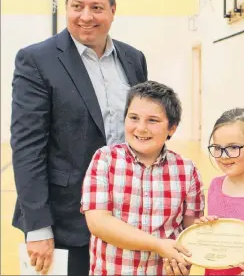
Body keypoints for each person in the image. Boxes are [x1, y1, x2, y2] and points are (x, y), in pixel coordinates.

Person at [11, 0, 147, 275]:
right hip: (64, 221)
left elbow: (143, 130)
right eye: (77, 6)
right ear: (66, 7)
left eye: (96, 7)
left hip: (127, 214)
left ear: (113, 10)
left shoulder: (133, 59)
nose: (86, 16)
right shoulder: (36, 60)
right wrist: (38, 227)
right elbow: (27, 148)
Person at [81, 80, 205, 275]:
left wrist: (197, 240)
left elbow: (190, 230)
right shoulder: (105, 159)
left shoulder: (187, 170)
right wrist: (157, 245)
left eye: (152, 120)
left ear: (172, 127)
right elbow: (99, 223)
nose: (141, 128)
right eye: (134, 118)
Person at [164, 108, 244, 276]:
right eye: (217, 148)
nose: (223, 156)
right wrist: (204, 229)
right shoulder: (214, 186)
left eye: (233, 147)